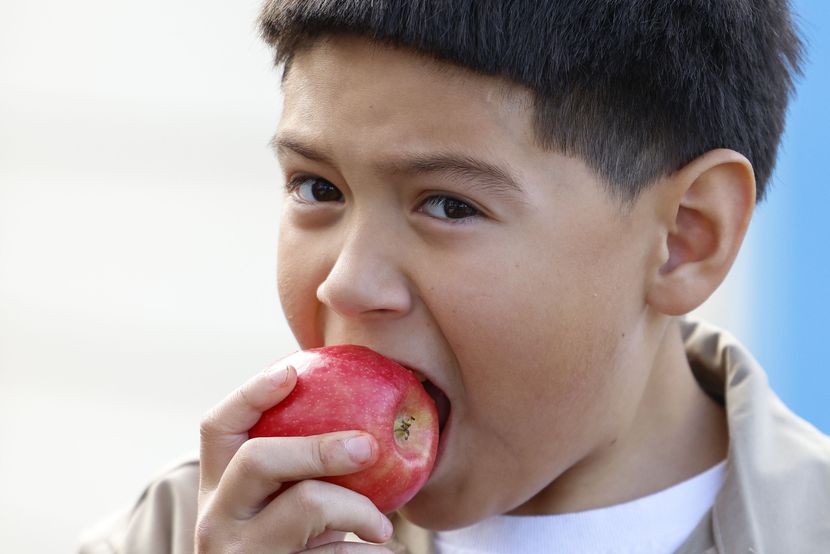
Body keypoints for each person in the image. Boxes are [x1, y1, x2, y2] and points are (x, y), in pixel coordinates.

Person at [79, 1, 830, 553]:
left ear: (684, 239)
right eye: (317, 188)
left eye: (447, 204)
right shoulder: (185, 532)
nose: (345, 283)